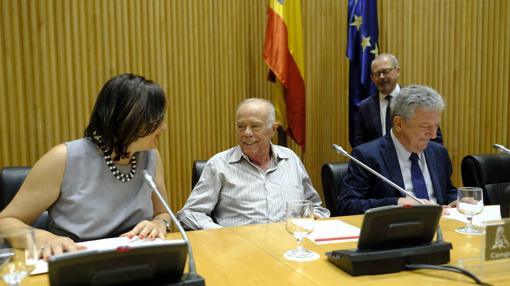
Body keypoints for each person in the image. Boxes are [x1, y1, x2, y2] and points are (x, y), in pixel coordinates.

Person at [0, 73, 171, 257]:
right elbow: (6, 221)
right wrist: (44, 239)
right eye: (156, 119)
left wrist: (159, 224)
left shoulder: (151, 156)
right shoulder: (62, 159)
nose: (164, 127)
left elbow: (163, 214)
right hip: (75, 260)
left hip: (135, 259)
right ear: (127, 118)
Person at [177, 98, 329, 230]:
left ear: (273, 129)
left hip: (289, 246)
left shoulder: (291, 159)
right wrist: (222, 234)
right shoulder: (219, 165)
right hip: (239, 252)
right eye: (241, 126)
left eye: (255, 126)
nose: (247, 133)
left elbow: (313, 206)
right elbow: (190, 213)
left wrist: (316, 217)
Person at [339, 85, 457, 215]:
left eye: (436, 126)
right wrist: (398, 203)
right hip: (395, 230)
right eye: (425, 126)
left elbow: (447, 191)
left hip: (441, 229)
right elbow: (348, 206)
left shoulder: (439, 153)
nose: (433, 135)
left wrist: (458, 200)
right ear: (398, 124)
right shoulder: (367, 156)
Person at [351, 53, 443, 147]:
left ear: (397, 71)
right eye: (377, 73)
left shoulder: (417, 102)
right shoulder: (365, 107)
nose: (382, 77)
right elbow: (359, 143)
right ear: (372, 78)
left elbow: (435, 139)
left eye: (385, 71)